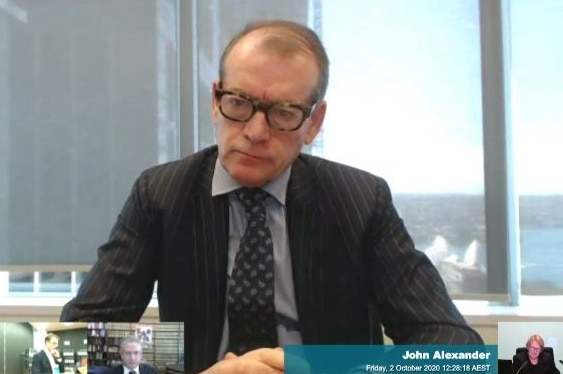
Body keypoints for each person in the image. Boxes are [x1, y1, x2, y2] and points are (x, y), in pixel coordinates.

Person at [60, 19, 483, 373]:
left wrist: (318, 367)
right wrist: (188, 366)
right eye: (239, 103)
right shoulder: (160, 193)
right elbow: (79, 339)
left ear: (313, 123)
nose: (255, 132)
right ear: (215, 99)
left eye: (283, 113)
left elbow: (454, 348)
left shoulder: (360, 199)